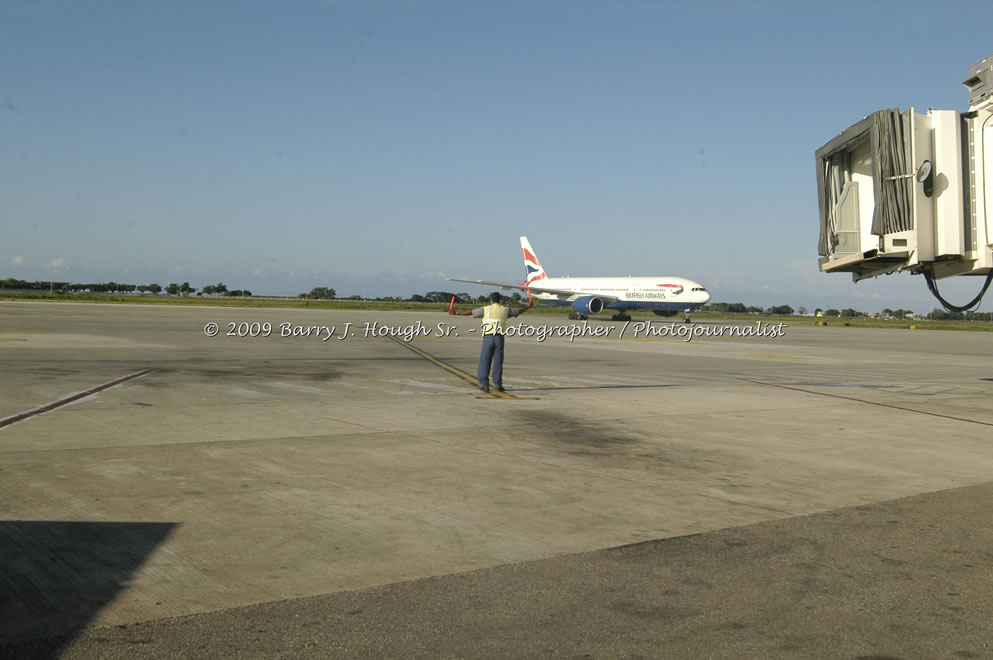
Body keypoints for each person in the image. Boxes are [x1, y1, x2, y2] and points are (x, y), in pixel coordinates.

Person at [450, 291, 532, 392]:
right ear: (500, 300)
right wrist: (528, 306)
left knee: (485, 361)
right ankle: (498, 385)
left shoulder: (486, 309)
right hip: (499, 339)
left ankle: (484, 385)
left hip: (488, 338)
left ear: (491, 300)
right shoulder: (505, 310)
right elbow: (518, 312)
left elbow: (471, 312)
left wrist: (457, 313)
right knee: (498, 362)